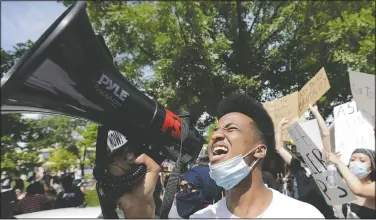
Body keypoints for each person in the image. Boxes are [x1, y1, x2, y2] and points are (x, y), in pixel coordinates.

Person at [109, 93, 325, 218]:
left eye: (231, 129)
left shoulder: (303, 215)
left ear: (259, 150)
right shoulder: (201, 218)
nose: (217, 136)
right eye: (216, 130)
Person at [275, 117, 335, 219]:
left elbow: (326, 134)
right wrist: (279, 126)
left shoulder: (322, 164)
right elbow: (279, 148)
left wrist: (315, 112)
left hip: (326, 215)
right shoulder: (296, 166)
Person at [326, 148, 375, 219]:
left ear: (371, 167)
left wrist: (339, 162)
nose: (355, 163)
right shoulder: (343, 185)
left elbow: (359, 190)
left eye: (362, 161)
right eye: (352, 160)